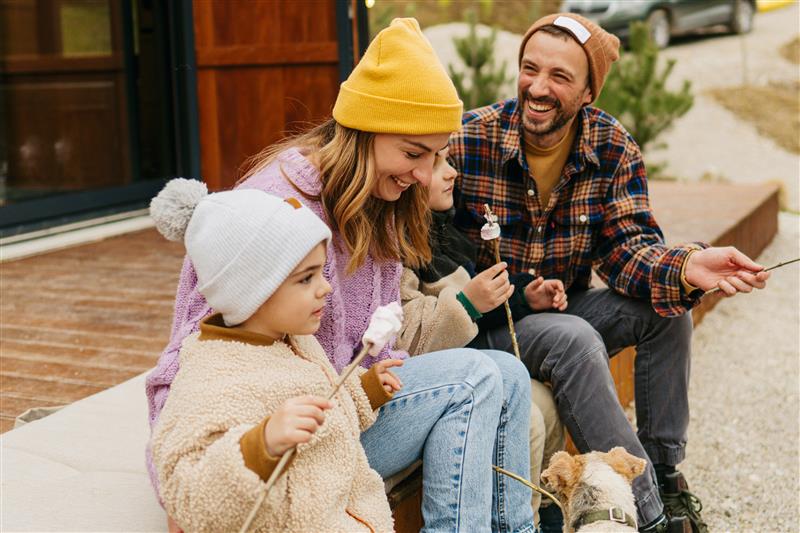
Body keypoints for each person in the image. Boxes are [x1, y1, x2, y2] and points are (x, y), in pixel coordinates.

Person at [147, 18, 535, 533]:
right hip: (290, 440)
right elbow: (195, 366)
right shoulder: (273, 214)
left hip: (344, 408)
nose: (425, 174)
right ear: (362, 134)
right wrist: (194, 487)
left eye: (436, 155)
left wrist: (393, 367)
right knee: (476, 377)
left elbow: (379, 337)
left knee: (507, 372)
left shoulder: (379, 205)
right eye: (413, 153)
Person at [449, 12, 770, 533]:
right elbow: (432, 256)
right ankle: (650, 517)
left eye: (560, 77)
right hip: (488, 326)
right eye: (530, 69)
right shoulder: (469, 141)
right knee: (573, 337)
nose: (538, 87)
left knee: (666, 311)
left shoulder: (611, 145)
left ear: (588, 93)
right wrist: (499, 293)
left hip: (564, 309)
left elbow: (628, 251)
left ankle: (664, 472)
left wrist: (687, 265)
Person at [148, 180, 400, 532]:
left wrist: (365, 391)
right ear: (253, 291)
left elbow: (324, 409)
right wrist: (259, 445)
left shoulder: (296, 342)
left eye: (321, 272)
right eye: (305, 279)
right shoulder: (211, 378)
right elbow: (187, 489)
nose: (325, 287)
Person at [395, 149, 565, 525]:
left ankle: (550, 516)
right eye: (437, 164)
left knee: (548, 404)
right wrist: (469, 304)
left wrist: (524, 296)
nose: (452, 173)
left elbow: (478, 311)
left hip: (472, 364)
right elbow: (423, 332)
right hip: (440, 381)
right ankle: (522, 523)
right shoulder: (401, 248)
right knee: (530, 421)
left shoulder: (442, 232)